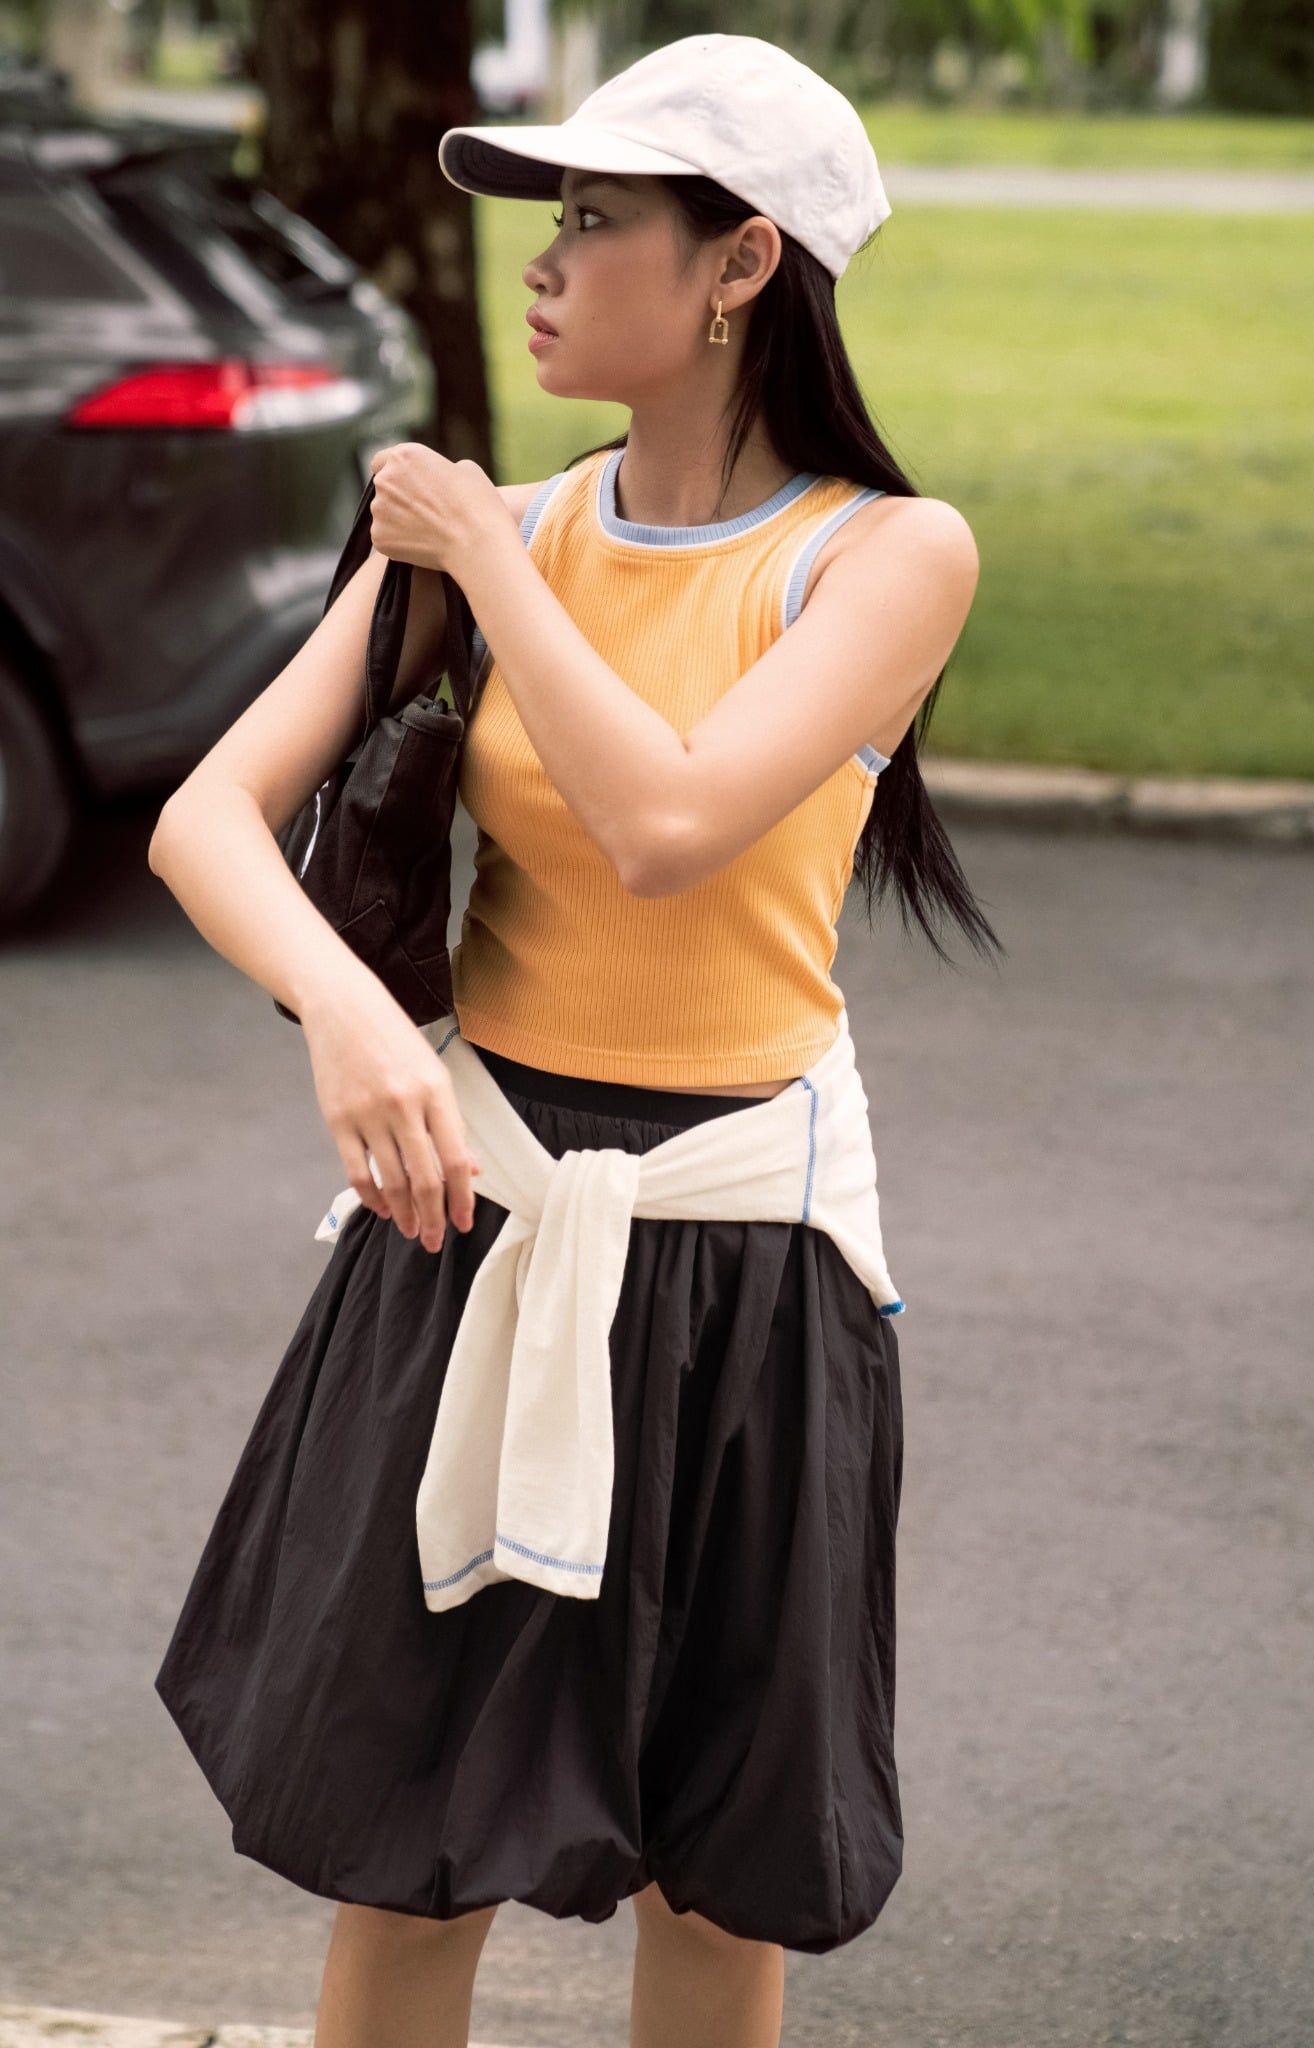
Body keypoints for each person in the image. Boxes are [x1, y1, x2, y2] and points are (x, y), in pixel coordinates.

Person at [148, 32, 1001, 2048]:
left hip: (743, 1265)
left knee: (718, 1876)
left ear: (740, 266)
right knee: (398, 1850)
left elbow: (669, 822)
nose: (539, 263)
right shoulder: (502, 532)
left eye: (597, 220)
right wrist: (351, 1021)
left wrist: (490, 560)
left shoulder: (883, 555)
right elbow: (206, 817)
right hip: (475, 1221)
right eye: (549, 219)